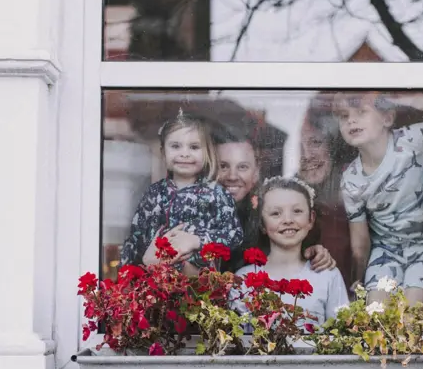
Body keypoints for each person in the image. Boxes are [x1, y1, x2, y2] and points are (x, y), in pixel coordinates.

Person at [335, 92, 423, 306]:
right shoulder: (351, 180)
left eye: (361, 112)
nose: (351, 120)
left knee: (411, 316)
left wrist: (406, 98)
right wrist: (358, 283)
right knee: (377, 316)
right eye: (343, 115)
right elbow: (360, 244)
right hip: (386, 252)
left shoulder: (415, 139)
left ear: (387, 118)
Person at [120, 112, 243, 269]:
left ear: (207, 152)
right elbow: (135, 238)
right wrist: (125, 276)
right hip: (156, 281)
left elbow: (234, 236)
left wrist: (196, 240)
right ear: (163, 152)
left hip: (200, 286)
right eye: (175, 146)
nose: (184, 153)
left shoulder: (216, 194)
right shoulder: (154, 193)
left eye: (194, 147)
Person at [235, 176, 349, 327]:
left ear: (311, 219)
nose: (288, 219)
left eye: (297, 211)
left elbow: (342, 335)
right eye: (276, 213)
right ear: (262, 223)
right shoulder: (243, 280)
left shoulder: (327, 275)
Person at [215, 135, 336, 275]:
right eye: (223, 166)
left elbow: (292, 243)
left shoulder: (267, 210)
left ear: (256, 171)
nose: (232, 176)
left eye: (242, 167)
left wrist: (315, 252)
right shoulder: (198, 210)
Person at [297, 106, 355, 290]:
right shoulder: (287, 194)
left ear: (331, 145)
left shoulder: (354, 186)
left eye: (315, 142)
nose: (307, 155)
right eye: (298, 148)